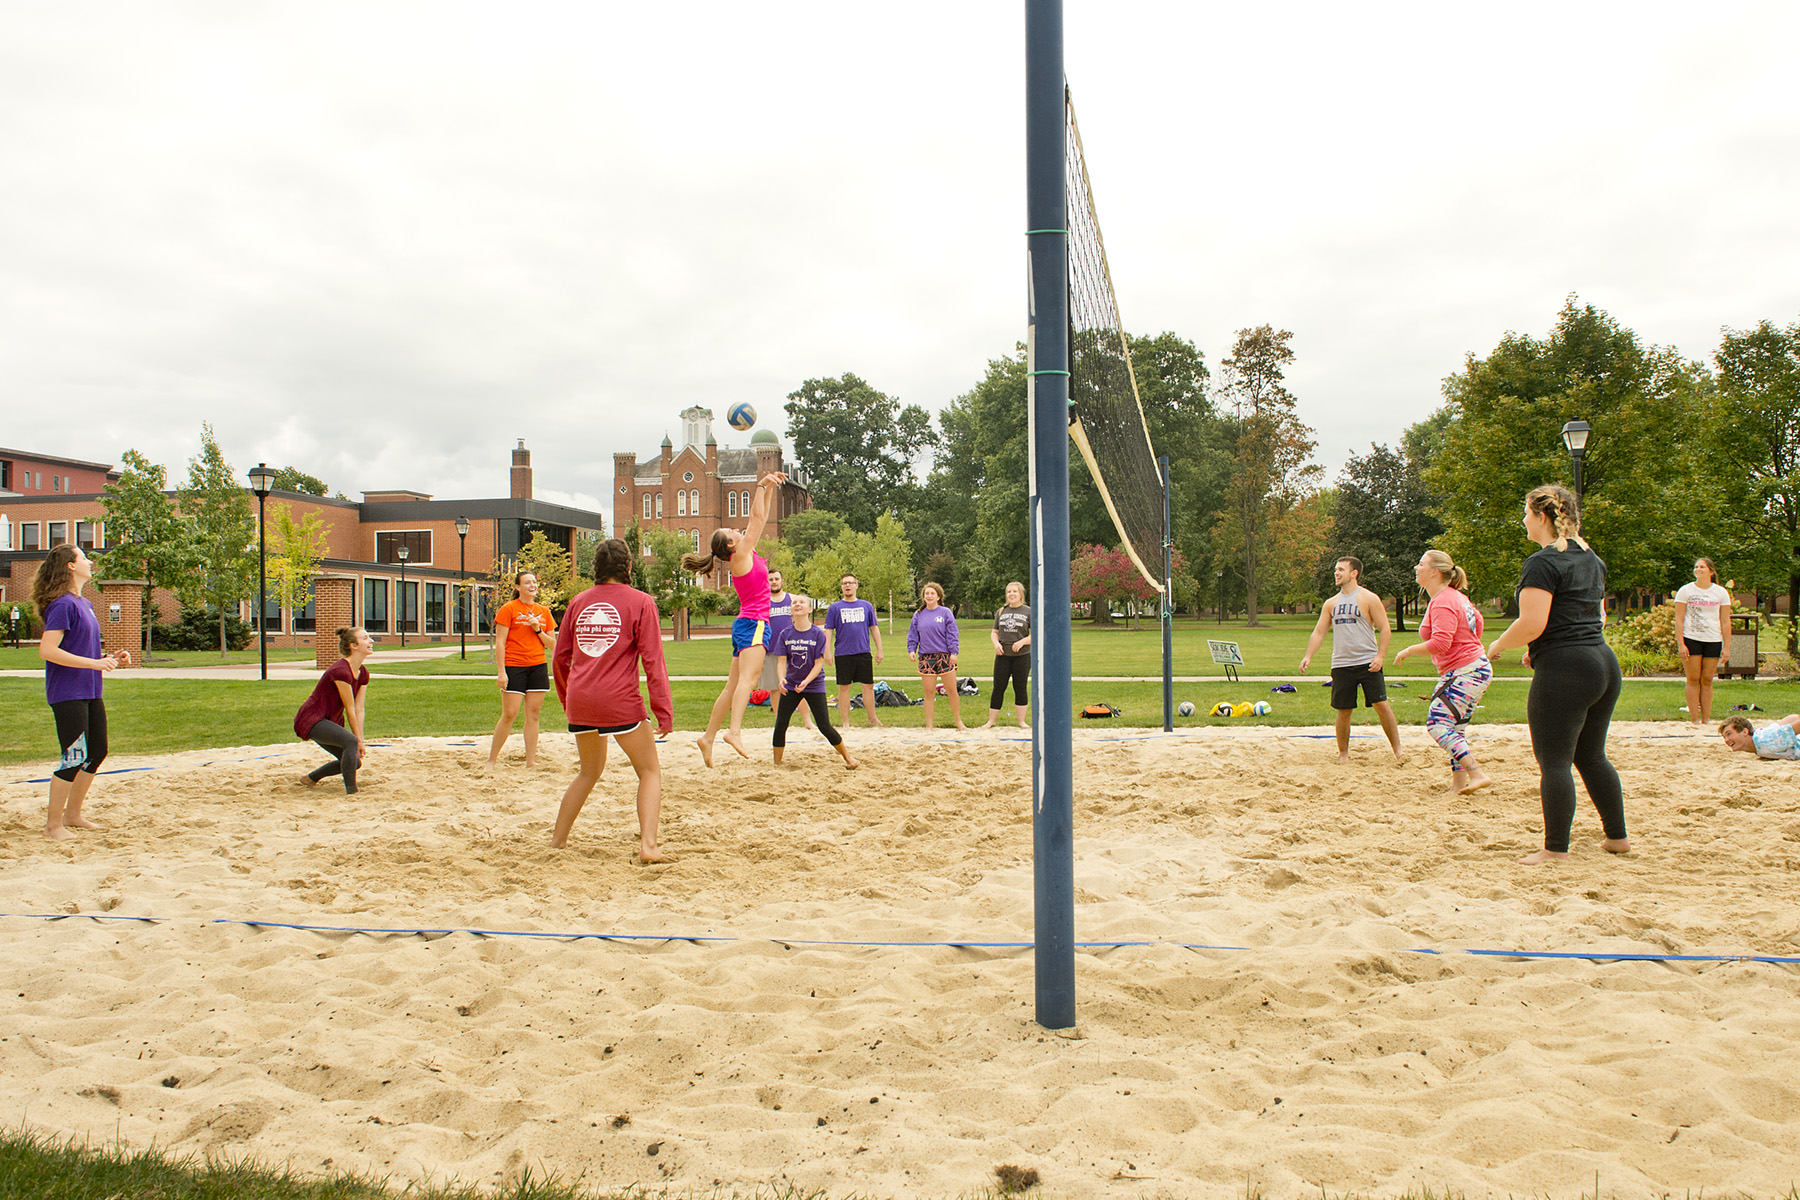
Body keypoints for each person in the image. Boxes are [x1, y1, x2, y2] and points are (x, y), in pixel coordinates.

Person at [1487, 483, 1630, 865]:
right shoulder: (1591, 558)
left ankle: (1555, 850)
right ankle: (1617, 838)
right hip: (1601, 662)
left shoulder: (1543, 562)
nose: (1523, 520)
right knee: (1592, 756)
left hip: (1568, 668)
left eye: (1526, 513)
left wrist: (1499, 645)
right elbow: (1589, 616)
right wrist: (1542, 651)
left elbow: (1532, 622)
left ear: (1543, 517)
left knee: (1554, 761)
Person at [551, 538, 674, 861]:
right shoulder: (641, 602)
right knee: (649, 771)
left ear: (596, 568)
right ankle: (649, 846)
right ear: (629, 566)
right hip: (619, 701)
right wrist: (663, 710)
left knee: (588, 772)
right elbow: (653, 662)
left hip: (581, 699)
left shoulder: (578, 602)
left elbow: (560, 658)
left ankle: (557, 842)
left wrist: (569, 701)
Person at [683, 471, 788, 764]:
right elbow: (755, 519)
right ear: (730, 545)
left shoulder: (744, 552)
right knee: (750, 680)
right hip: (754, 624)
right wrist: (760, 485)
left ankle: (708, 736)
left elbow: (761, 517)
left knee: (732, 686)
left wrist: (769, 488)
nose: (735, 529)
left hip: (746, 624)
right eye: (731, 531)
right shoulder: (740, 554)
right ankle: (734, 731)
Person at [33, 545, 129, 840]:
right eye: (84, 557)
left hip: (89, 688)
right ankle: (53, 826)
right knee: (74, 757)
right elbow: (47, 651)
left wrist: (109, 658)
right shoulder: (62, 604)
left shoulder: (83, 603)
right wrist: (94, 663)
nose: (90, 561)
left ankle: (72, 816)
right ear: (71, 566)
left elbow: (78, 648)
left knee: (97, 750)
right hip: (68, 691)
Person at [1392, 550, 1492, 794]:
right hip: (1473, 668)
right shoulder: (1455, 597)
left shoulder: (1444, 600)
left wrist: (1409, 650)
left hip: (1465, 671)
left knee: (1437, 724)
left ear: (1435, 572)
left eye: (1421, 564)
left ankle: (1476, 773)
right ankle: (1458, 786)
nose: (1416, 567)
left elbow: (1440, 643)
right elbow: (1478, 623)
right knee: (1455, 729)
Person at [1299, 555, 1403, 763]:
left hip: (1367, 661)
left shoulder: (1369, 598)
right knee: (1344, 710)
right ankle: (1343, 753)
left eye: (1341, 570)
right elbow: (1319, 632)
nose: (1336, 573)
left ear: (1354, 573)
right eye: (1336, 570)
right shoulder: (1331, 603)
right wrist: (1308, 656)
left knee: (1381, 704)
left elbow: (1385, 629)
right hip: (1341, 664)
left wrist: (1380, 656)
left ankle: (1398, 750)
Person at [771, 595, 858, 769]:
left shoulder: (817, 633)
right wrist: (781, 679)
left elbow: (819, 663)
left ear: (809, 609)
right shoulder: (785, 634)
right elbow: (781, 661)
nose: (797, 605)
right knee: (781, 724)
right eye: (794, 603)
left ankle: (848, 758)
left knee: (824, 726)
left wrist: (806, 681)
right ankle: (777, 764)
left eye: (801, 602)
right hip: (791, 684)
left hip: (814, 684)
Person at [488, 570, 557, 770]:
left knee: (533, 714)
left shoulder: (544, 612)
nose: (532, 585)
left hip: (537, 666)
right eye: (527, 582)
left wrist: (537, 629)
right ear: (518, 587)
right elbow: (500, 643)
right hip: (514, 665)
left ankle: (530, 761)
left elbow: (551, 644)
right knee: (510, 714)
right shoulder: (509, 609)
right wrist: (501, 672)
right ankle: (492, 760)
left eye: (534, 581)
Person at [295, 626, 373, 794]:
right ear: (353, 645)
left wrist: (361, 739)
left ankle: (310, 778)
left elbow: (359, 709)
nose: (371, 641)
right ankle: (352, 791)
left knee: (354, 761)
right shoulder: (341, 671)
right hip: (312, 719)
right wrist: (357, 740)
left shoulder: (363, 673)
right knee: (351, 742)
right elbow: (350, 708)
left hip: (327, 720)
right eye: (365, 638)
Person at [1673, 558, 1731, 724]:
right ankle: (1694, 720)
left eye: (1702, 567)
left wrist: (1726, 647)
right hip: (1692, 638)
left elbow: (1726, 621)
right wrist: (1681, 643)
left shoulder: (1720, 593)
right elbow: (1679, 619)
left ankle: (1706, 719)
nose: (1698, 569)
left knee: (1707, 679)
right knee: (1693, 679)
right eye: (1696, 567)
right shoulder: (1685, 591)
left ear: (1711, 571)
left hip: (1713, 639)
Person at [825, 573, 884, 728]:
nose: (847, 586)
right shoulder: (835, 608)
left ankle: (872, 718)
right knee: (844, 687)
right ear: (841, 586)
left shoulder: (866, 606)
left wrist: (880, 650)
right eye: (844, 583)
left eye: (850, 583)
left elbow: (874, 628)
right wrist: (827, 651)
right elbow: (829, 631)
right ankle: (846, 722)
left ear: (856, 585)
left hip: (863, 651)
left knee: (868, 686)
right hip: (843, 653)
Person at [908, 581, 966, 731]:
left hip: (945, 657)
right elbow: (913, 635)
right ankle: (929, 725)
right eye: (927, 593)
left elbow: (953, 634)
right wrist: (911, 650)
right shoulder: (918, 614)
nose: (929, 596)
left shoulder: (945, 612)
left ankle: (959, 722)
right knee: (929, 693)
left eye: (932, 593)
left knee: (951, 690)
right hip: (926, 658)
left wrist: (954, 652)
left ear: (938, 596)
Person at [758, 568, 810, 728]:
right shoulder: (763, 602)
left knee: (799, 686)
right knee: (775, 687)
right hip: (771, 649)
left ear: (782, 581)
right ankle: (779, 723)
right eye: (771, 579)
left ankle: (808, 722)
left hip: (794, 649)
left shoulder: (792, 600)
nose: (773, 582)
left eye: (776, 579)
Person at [981, 580, 1032, 729]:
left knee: (1020, 687)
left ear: (1021, 594)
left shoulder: (1028, 611)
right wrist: (996, 644)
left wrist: (1022, 642)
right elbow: (994, 632)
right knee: (998, 687)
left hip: (1022, 656)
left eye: (1014, 591)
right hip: (1003, 656)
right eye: (1009, 591)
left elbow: (1035, 634)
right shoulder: (1001, 611)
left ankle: (1021, 721)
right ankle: (991, 721)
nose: (1011, 594)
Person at [1718, 713, 1800, 760]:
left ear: (1745, 732)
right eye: (1724, 737)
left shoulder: (1766, 741)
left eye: (1729, 734)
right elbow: (1793, 718)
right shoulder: (1759, 737)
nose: (1726, 740)